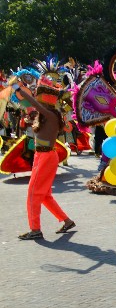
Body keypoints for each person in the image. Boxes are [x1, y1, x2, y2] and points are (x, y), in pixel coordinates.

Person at [12, 82, 74, 240]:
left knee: (33, 194)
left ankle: (35, 230)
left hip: (46, 157)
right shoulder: (47, 116)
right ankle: (67, 221)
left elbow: (32, 103)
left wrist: (18, 89)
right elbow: (30, 105)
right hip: (42, 157)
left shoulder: (50, 115)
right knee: (44, 195)